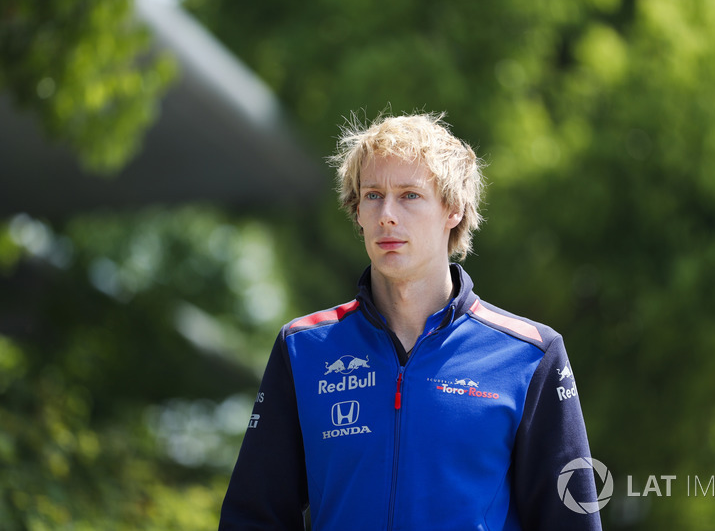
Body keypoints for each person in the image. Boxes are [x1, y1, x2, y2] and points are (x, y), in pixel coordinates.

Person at [219, 112, 602, 530]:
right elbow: (253, 517)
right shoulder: (303, 348)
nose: (387, 214)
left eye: (409, 195)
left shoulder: (531, 356)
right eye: (372, 195)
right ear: (357, 211)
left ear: (452, 209)